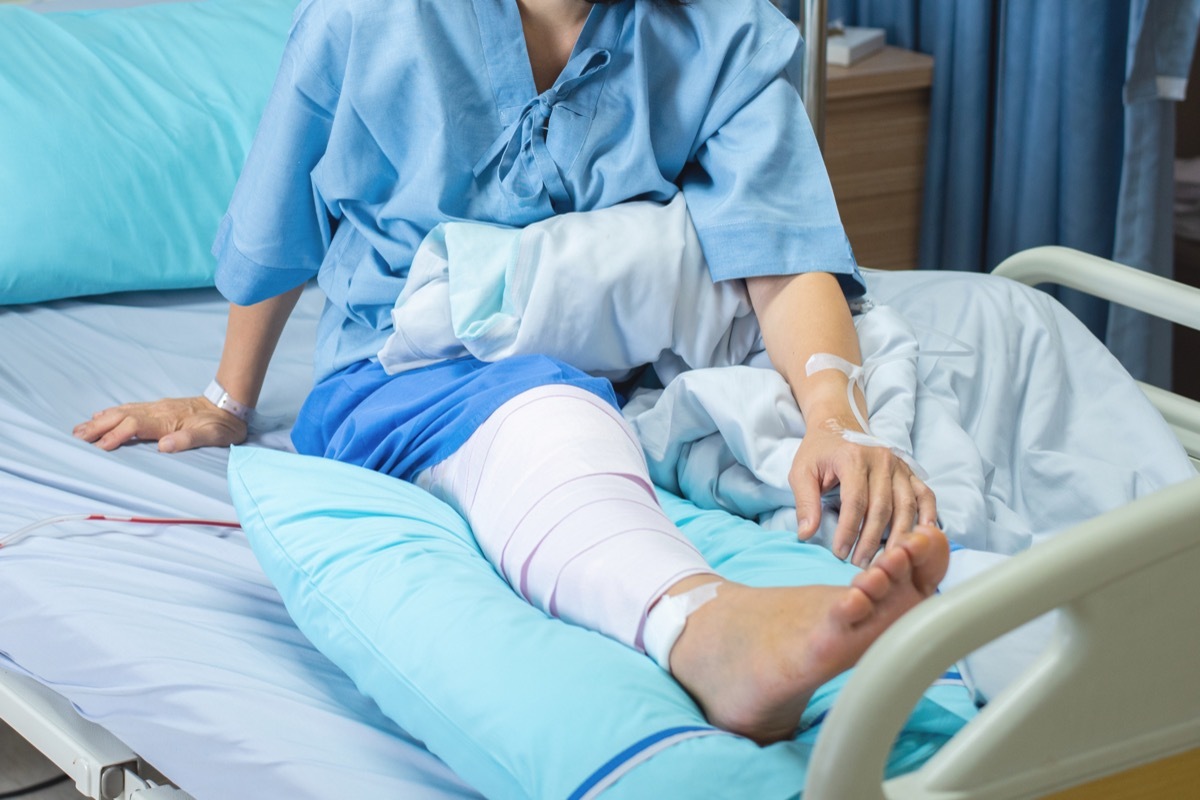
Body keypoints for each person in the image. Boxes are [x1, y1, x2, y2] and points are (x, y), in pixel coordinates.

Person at [73, 0, 948, 745]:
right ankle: (704, 629)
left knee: (965, 326)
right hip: (400, 370)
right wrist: (230, 401)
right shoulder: (368, 19)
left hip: (621, 362)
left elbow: (782, 247)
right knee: (549, 414)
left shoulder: (721, 31)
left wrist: (834, 409)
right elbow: (278, 225)